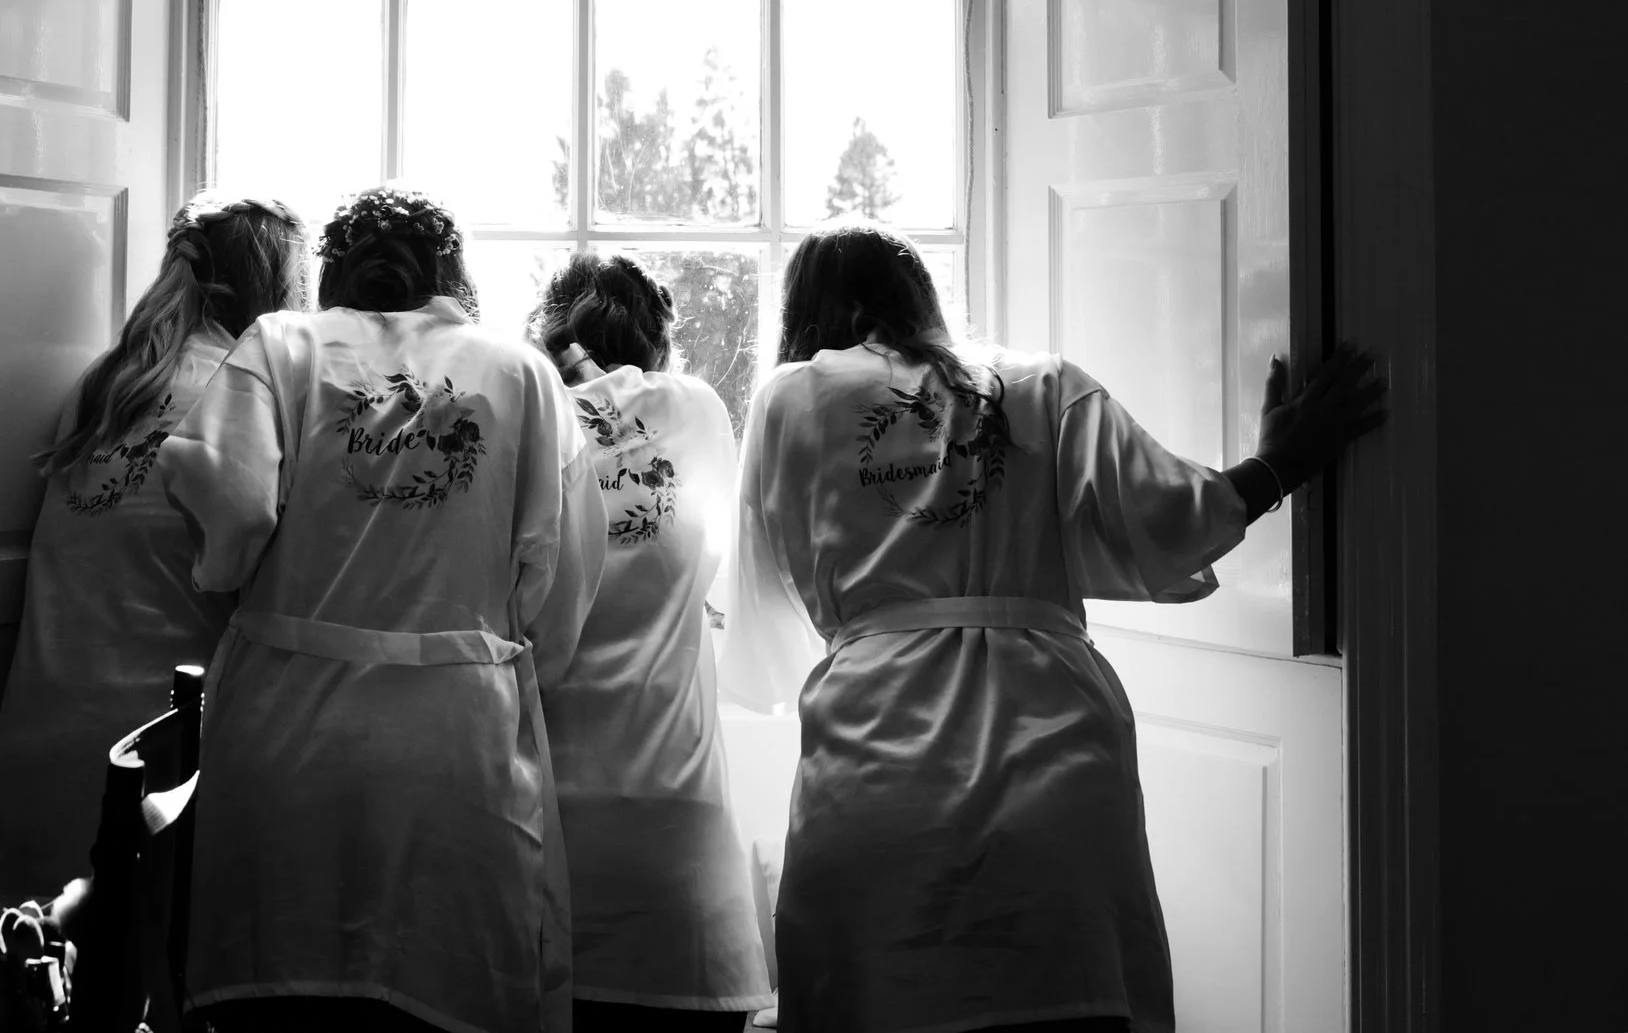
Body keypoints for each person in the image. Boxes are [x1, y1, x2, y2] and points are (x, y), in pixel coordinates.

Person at [718, 220, 1386, 1033]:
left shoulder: (789, 398)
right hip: (1055, 773)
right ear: (917, 295)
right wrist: (1280, 462)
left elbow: (762, 610)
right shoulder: (1038, 384)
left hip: (872, 782)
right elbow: (1170, 515)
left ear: (808, 313)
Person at [158, 186, 607, 1033]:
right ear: (450, 270)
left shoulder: (282, 341)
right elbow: (567, 571)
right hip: (455, 739)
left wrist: (238, 575)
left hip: (286, 733)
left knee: (282, 996)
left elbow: (232, 500)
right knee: (439, 1000)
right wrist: (498, 658)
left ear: (334, 269)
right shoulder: (518, 370)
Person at [0, 194, 308, 904]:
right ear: (273, 286)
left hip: (35, 746)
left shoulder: (103, 384)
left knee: (38, 985)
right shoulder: (243, 391)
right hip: (152, 763)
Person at [529, 254, 773, 1033]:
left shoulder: (525, 421)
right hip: (677, 836)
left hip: (547, 827)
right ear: (659, 344)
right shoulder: (696, 410)